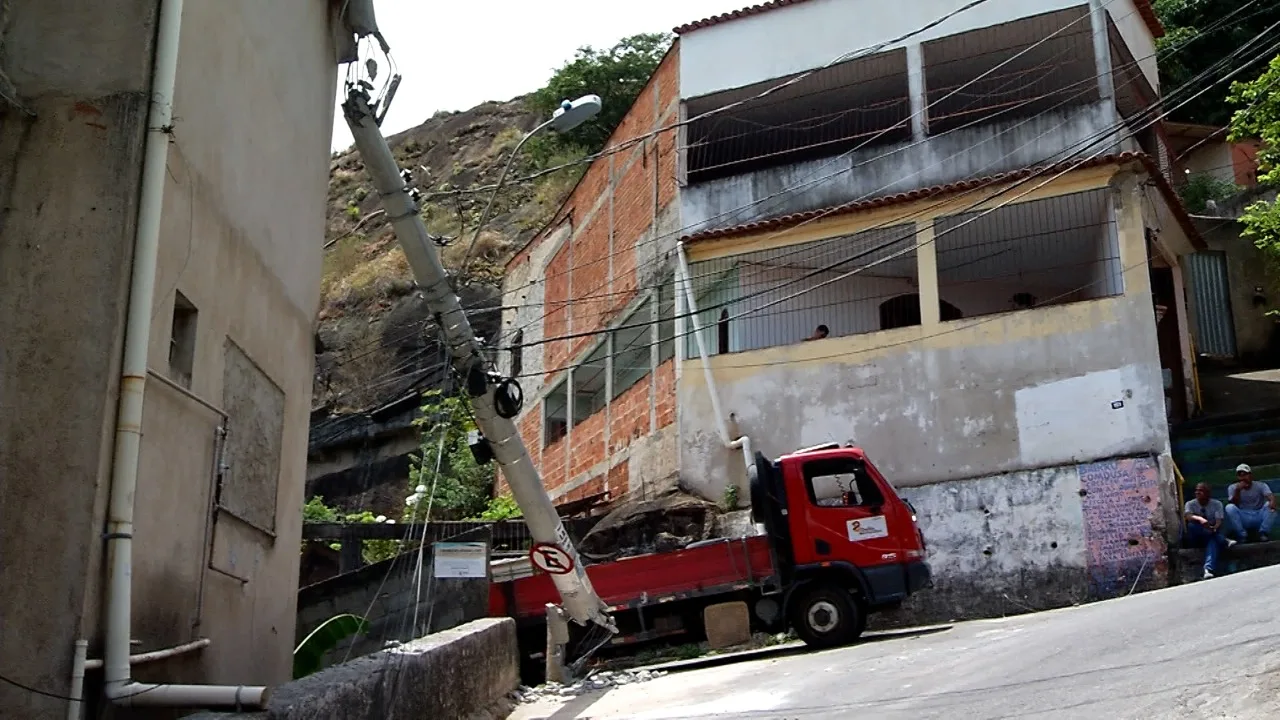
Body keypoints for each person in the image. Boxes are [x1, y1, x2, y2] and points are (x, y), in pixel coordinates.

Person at [1184, 482, 1232, 578]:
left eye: (1201, 491)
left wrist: (1214, 527)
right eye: (1196, 490)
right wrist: (1200, 520)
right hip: (1196, 537)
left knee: (1212, 542)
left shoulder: (1216, 504)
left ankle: (1208, 569)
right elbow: (1188, 516)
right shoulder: (1190, 504)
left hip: (1211, 533)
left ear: (1208, 493)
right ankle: (1223, 540)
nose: (1197, 493)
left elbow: (1219, 520)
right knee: (1192, 526)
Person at [1225, 463, 1277, 542]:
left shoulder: (1261, 485)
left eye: (1245, 475)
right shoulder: (1232, 488)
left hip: (1258, 514)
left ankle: (1263, 533)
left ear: (1250, 475)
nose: (1243, 478)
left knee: (1270, 506)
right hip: (1243, 516)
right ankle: (1242, 535)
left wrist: (1272, 501)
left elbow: (1271, 497)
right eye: (1240, 475)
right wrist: (1237, 491)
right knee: (1229, 507)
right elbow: (1234, 504)